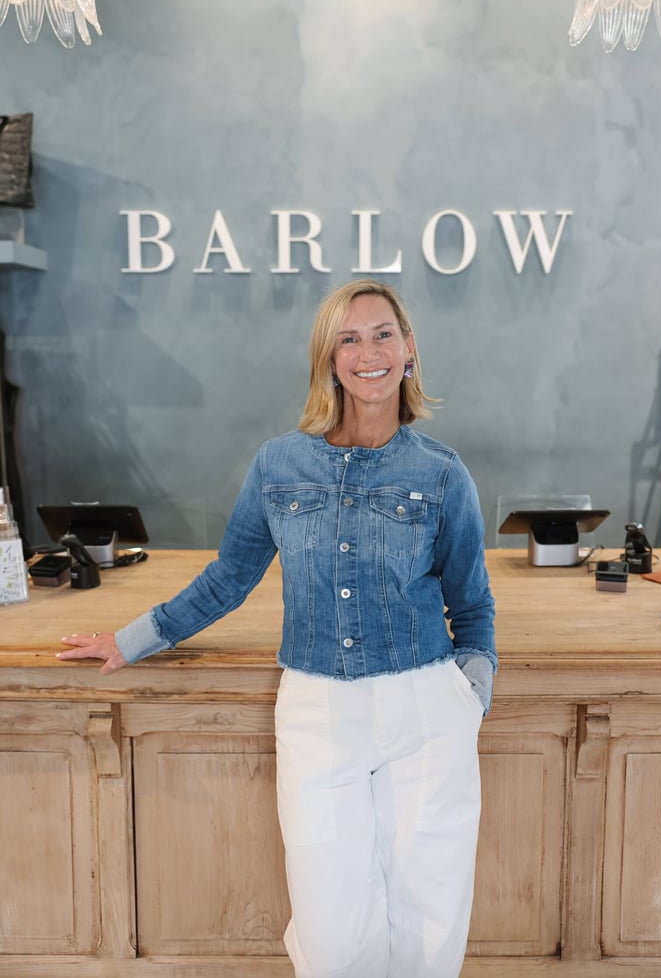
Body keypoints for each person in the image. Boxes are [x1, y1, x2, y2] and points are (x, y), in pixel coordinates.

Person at [57, 277, 497, 978]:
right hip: (318, 709)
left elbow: (472, 605)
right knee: (330, 927)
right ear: (328, 358)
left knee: (430, 916)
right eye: (347, 338)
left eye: (383, 333)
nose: (368, 351)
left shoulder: (442, 475)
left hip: (425, 708)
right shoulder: (279, 465)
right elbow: (229, 578)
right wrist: (131, 638)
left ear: (409, 350)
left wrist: (469, 693)